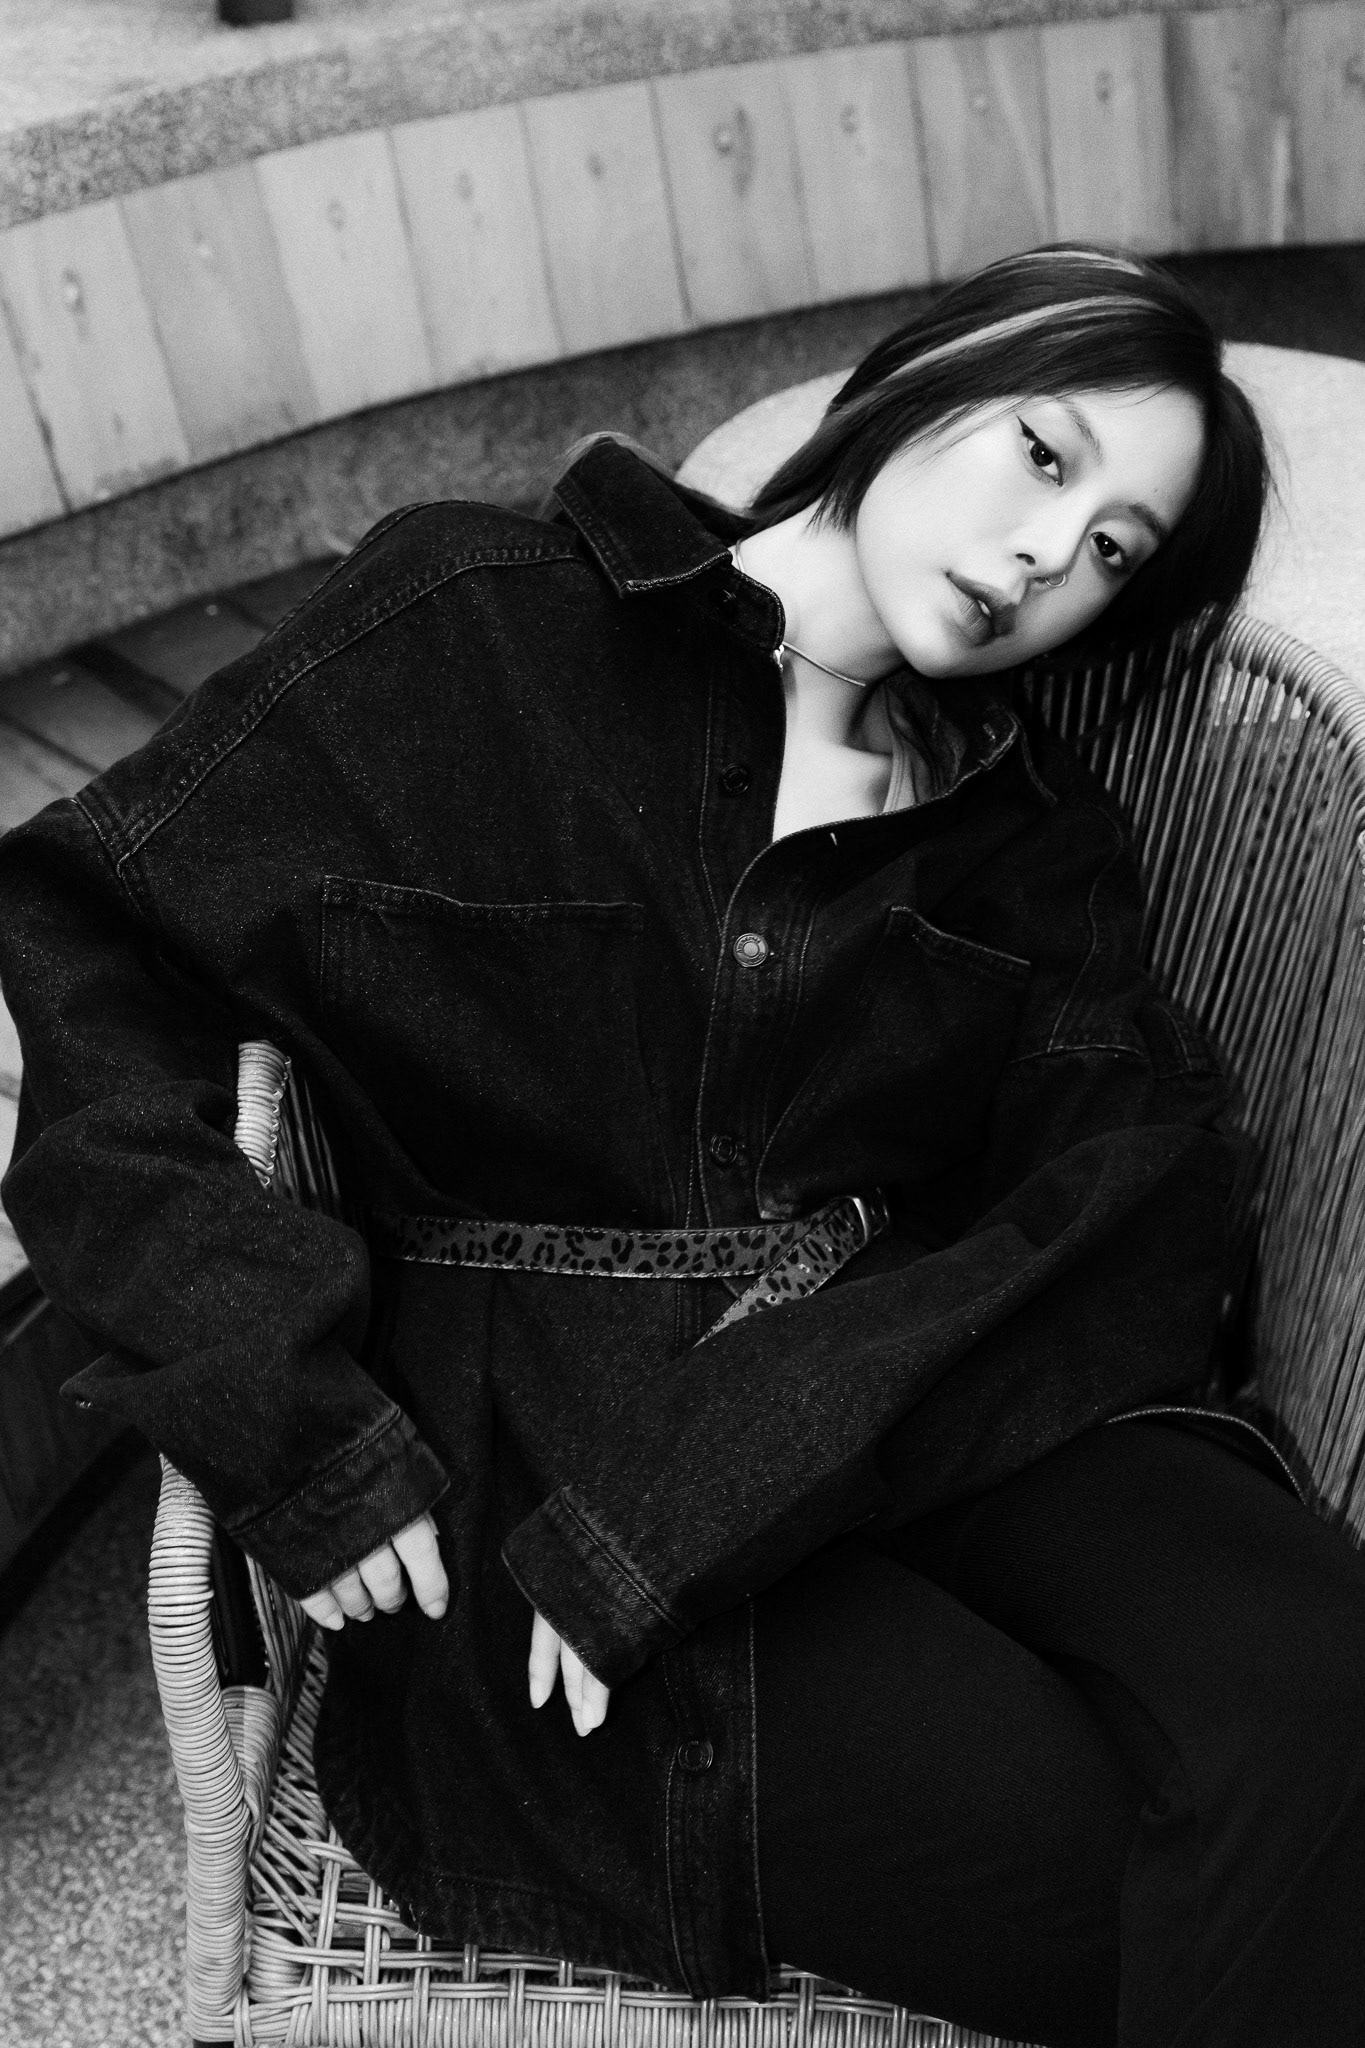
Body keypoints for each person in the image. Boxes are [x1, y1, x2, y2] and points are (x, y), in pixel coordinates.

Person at [2, 241, 1364, 2048]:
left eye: (1114, 548)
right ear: (925, 377)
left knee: (1323, 1692)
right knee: (1182, 1889)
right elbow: (85, 935)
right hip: (548, 1471)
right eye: (1044, 454)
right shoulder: (475, 624)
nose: (1050, 554)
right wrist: (279, 1395)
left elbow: (1129, 1188)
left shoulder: (1030, 842)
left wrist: (740, 1456)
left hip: (928, 1387)